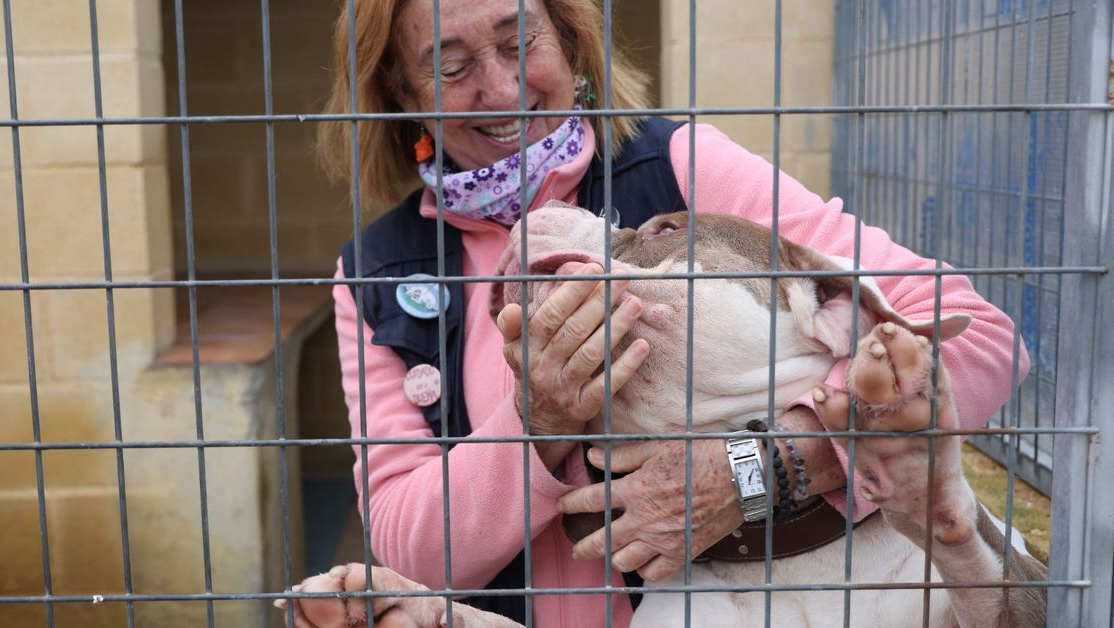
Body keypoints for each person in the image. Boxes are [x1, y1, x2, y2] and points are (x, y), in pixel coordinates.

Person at [304, 0, 1029, 626]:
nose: (501, 88)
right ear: (400, 90)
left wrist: (766, 466)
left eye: (519, 41)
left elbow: (980, 337)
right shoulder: (377, 272)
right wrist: (540, 423)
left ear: (569, 37)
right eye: (452, 66)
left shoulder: (679, 168)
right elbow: (408, 547)